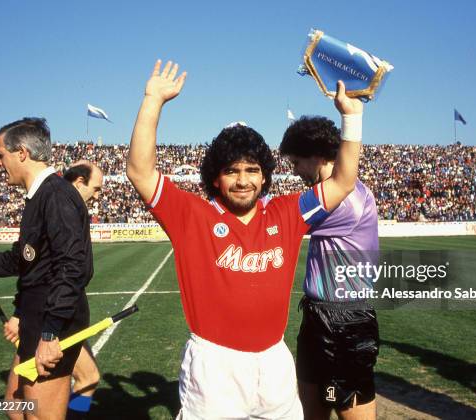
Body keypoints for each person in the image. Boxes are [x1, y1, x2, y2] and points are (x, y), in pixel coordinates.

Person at [126, 59, 364, 419]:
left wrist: (352, 117)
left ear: (265, 177)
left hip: (274, 364)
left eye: (252, 170)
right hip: (214, 368)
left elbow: (343, 181)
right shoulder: (193, 216)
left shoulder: (289, 212)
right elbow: (139, 171)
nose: (242, 180)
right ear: (215, 178)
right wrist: (153, 100)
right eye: (231, 171)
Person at [0, 118, 93, 420]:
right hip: (36, 314)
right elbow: (19, 262)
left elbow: (73, 266)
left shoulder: (56, 195)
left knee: (39, 413)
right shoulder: (37, 197)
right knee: (16, 402)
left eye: (0, 154)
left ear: (21, 153)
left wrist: (50, 333)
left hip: (54, 320)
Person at [280, 116, 380, 420]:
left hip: (345, 321)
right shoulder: (331, 194)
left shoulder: (346, 200)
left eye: (297, 162)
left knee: (348, 410)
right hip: (318, 315)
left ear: (318, 156)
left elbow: (280, 215)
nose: (295, 170)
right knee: (314, 408)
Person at [1, 160, 103, 420]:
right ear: (79, 182)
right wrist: (20, 313)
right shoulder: (57, 202)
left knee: (19, 400)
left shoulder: (57, 201)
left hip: (53, 314)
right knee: (21, 401)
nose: (99, 195)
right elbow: (35, 269)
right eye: (97, 188)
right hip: (52, 318)